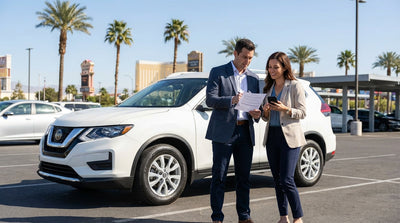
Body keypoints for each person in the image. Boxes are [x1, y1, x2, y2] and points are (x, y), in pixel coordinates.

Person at [205, 38, 261, 223]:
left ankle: (244, 216)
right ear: (236, 53)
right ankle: (217, 218)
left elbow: (257, 107)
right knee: (219, 177)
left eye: (251, 58)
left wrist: (257, 114)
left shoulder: (253, 78)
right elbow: (210, 100)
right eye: (244, 57)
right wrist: (232, 100)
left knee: (244, 178)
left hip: (245, 132)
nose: (247, 61)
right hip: (223, 134)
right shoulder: (218, 72)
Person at [261, 52, 306, 223]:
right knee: (277, 180)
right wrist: (266, 111)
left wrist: (285, 109)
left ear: (284, 67)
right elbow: (266, 118)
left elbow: (302, 112)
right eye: (270, 67)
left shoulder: (294, 86)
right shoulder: (268, 88)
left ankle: (298, 217)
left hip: (290, 138)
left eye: (275, 67)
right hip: (272, 137)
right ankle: (283, 217)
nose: (271, 70)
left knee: (287, 179)